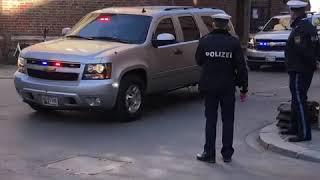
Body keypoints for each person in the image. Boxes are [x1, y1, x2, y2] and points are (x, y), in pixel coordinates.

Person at [195, 13, 248, 163]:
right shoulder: (233, 43)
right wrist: (244, 88)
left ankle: (209, 154)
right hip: (227, 87)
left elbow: (198, 61)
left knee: (211, 120)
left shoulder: (205, 41)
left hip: (210, 87)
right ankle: (227, 154)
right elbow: (241, 68)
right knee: (228, 121)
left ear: (213, 24)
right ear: (226, 25)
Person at [282, 0, 320, 142]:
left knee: (299, 100)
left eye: (291, 11)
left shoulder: (301, 28)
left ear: (296, 12)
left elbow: (304, 51)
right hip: (300, 69)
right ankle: (294, 127)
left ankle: (304, 133)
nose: (290, 14)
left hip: (300, 70)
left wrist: (312, 64)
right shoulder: (306, 26)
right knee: (296, 99)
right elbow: (317, 48)